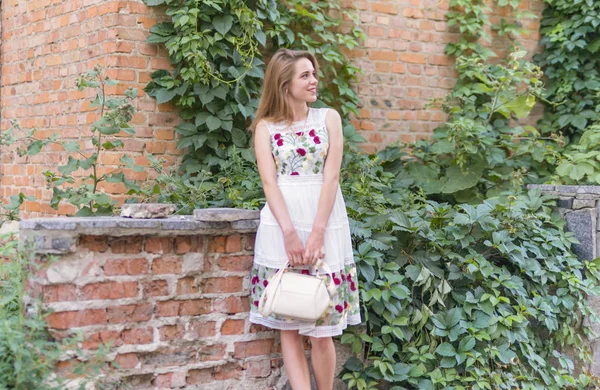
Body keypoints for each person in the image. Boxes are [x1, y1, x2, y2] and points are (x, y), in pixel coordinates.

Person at [248, 48, 361, 390]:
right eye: (305, 75)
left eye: (313, 73)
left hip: (324, 225)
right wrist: (289, 234)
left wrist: (316, 233)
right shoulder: (265, 127)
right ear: (284, 84)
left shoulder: (329, 119)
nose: (314, 81)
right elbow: (270, 182)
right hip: (281, 227)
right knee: (289, 323)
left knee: (323, 328)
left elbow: (331, 178)